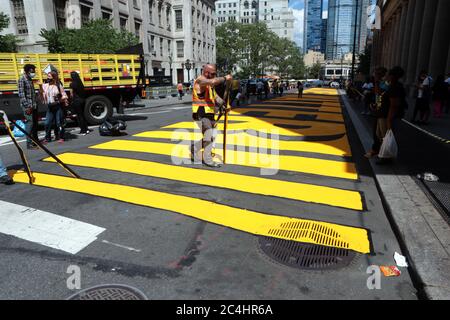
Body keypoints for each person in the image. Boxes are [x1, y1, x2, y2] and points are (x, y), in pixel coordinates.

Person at [192, 64, 232, 168]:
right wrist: (224, 78)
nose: (214, 76)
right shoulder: (200, 81)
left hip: (210, 114)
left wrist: (224, 105)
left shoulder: (209, 86)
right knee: (209, 136)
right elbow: (213, 81)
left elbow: (216, 98)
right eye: (213, 74)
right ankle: (208, 160)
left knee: (211, 137)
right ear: (206, 72)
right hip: (201, 113)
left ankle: (194, 148)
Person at [372, 66, 406, 165]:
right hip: (382, 113)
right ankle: (384, 155)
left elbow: (394, 105)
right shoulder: (392, 85)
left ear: (392, 76)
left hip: (386, 115)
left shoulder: (395, 87)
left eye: (388, 75)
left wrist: (389, 120)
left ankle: (386, 158)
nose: (386, 77)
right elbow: (379, 94)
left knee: (385, 136)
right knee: (380, 135)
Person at [365, 67, 388, 159]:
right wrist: (375, 104)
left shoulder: (384, 83)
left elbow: (379, 92)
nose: (373, 75)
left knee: (382, 133)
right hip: (378, 109)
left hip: (383, 111)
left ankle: (383, 153)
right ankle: (377, 150)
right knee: (376, 132)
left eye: (375, 74)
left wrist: (377, 82)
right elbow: (377, 95)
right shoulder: (379, 83)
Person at [42, 71, 68, 143]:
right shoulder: (45, 85)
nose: (48, 78)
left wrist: (59, 98)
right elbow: (42, 94)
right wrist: (40, 88)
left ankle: (61, 137)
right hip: (50, 107)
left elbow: (65, 96)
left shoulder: (58, 85)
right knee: (47, 123)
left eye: (49, 76)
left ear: (54, 77)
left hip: (57, 106)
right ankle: (48, 137)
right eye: (47, 76)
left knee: (59, 123)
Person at [18, 64, 39, 150]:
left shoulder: (30, 79)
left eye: (34, 71)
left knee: (34, 123)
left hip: (33, 105)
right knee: (29, 123)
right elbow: (22, 95)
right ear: (27, 71)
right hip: (28, 106)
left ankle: (34, 141)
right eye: (31, 71)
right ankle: (29, 143)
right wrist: (27, 107)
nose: (33, 72)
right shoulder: (22, 79)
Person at [69, 71, 90, 136]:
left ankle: (83, 130)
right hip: (83, 100)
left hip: (77, 101)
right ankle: (86, 129)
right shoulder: (80, 83)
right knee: (83, 115)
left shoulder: (72, 84)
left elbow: (71, 94)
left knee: (79, 116)